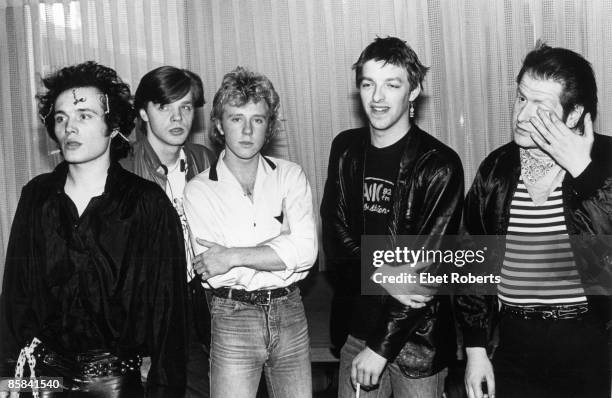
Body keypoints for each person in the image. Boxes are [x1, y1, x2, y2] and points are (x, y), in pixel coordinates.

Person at [0, 61, 188, 397]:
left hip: (113, 383)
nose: (69, 127)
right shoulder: (36, 196)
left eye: (84, 115)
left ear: (113, 124)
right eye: (61, 118)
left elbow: (168, 317)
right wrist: (6, 381)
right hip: (42, 379)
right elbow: (15, 299)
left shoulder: (147, 205)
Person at [458, 42, 612, 398]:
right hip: (514, 344)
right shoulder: (498, 168)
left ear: (573, 116)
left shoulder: (604, 164)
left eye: (539, 106)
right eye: (520, 98)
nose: (522, 115)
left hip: (587, 345)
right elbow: (472, 263)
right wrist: (476, 350)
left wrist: (584, 174)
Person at [321, 36, 464, 398]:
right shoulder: (345, 149)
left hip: (418, 340)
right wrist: (384, 272)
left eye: (392, 85)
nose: (378, 97)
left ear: (413, 91)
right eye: (368, 84)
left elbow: (427, 268)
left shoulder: (439, 165)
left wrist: (380, 349)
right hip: (355, 330)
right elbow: (336, 241)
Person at [183, 66, 317, 398]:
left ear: (269, 127)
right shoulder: (198, 190)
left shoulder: (291, 176)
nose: (246, 130)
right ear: (218, 124)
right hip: (232, 315)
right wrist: (279, 246)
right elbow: (211, 271)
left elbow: (306, 252)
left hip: (290, 310)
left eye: (257, 120)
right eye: (235, 118)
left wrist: (232, 255)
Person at [121, 65, 215, 398]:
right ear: (144, 112)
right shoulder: (122, 168)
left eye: (185, 107)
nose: (177, 118)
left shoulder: (204, 159)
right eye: (165, 107)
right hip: (154, 309)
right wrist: (140, 346)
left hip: (204, 300)